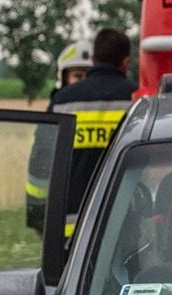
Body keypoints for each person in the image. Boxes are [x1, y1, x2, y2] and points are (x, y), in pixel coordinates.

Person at [25, 28, 136, 234]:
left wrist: (37, 217)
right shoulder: (137, 100)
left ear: (93, 59)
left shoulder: (61, 102)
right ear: (126, 62)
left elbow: (41, 160)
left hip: (68, 231)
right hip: (121, 230)